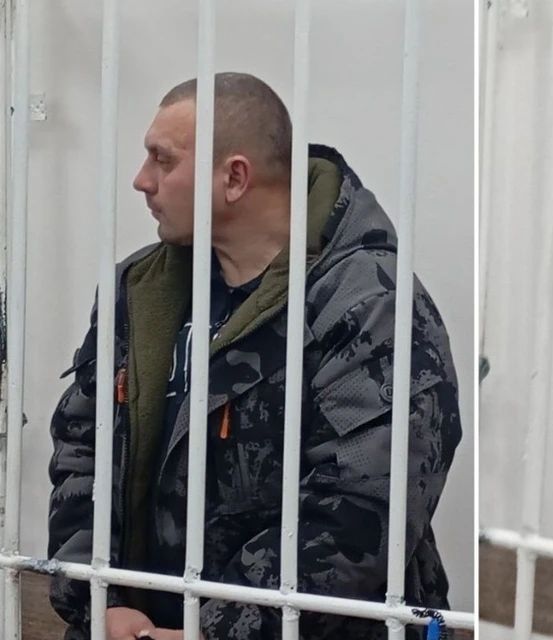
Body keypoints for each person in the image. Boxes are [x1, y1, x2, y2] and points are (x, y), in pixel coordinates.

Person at [47, 72, 462, 640]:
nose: (141, 180)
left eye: (162, 160)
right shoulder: (138, 289)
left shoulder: (370, 304)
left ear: (235, 178)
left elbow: (365, 511)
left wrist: (213, 633)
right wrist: (100, 600)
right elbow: (82, 448)